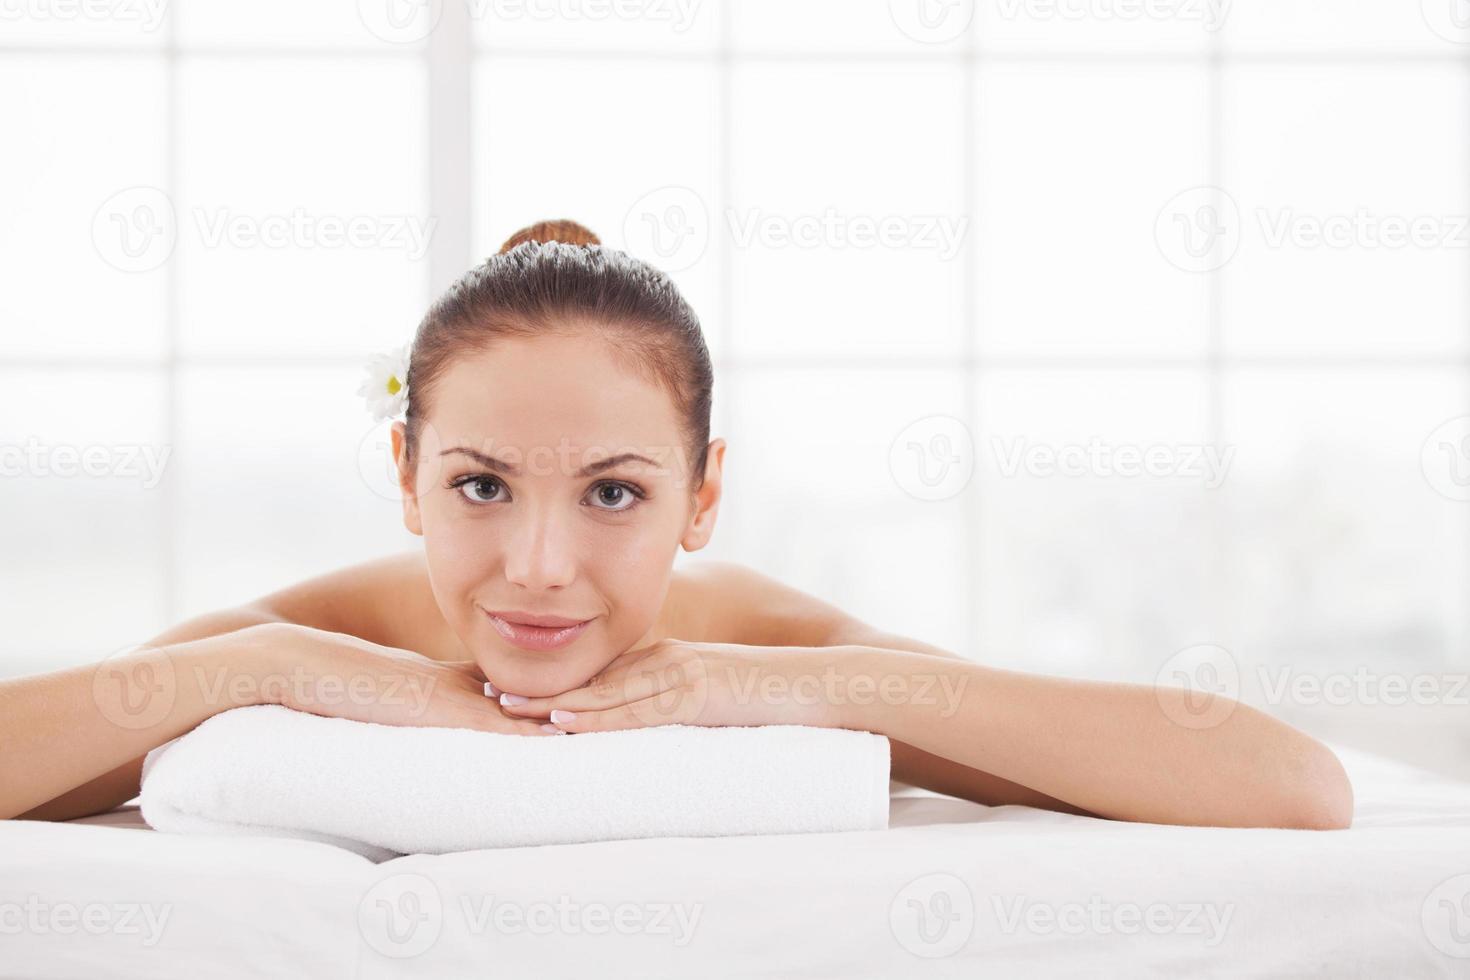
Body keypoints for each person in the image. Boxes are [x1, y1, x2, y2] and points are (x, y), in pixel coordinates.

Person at [1, 220, 1353, 830]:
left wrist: (756, 689)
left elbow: (1294, 785)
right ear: (406, 471)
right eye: (479, 486)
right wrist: (273, 673)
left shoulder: (764, 639)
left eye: (613, 493)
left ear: (702, 494)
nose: (539, 566)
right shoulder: (317, 630)